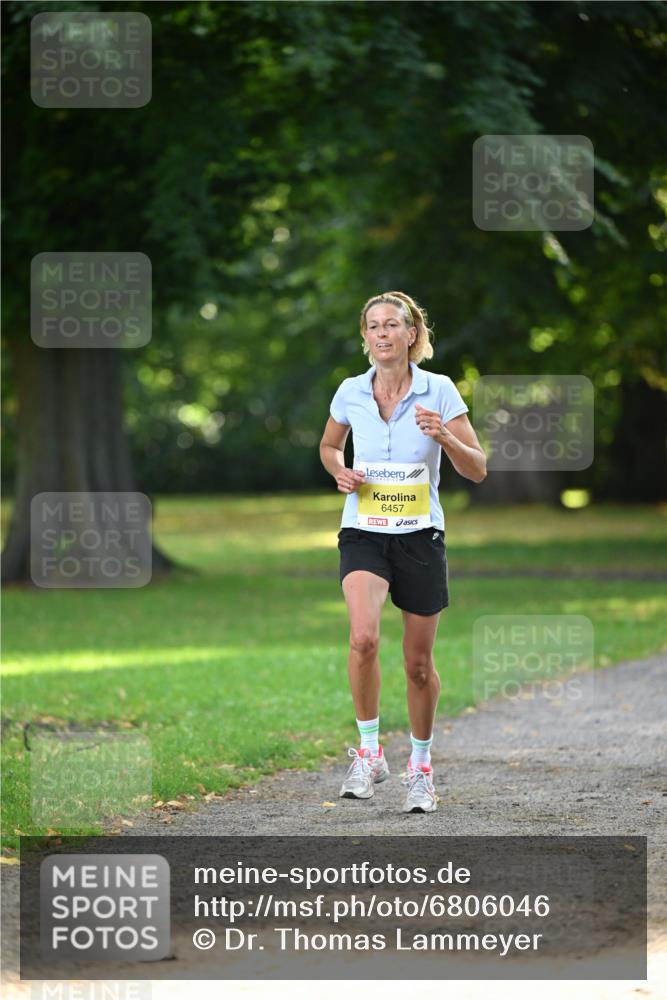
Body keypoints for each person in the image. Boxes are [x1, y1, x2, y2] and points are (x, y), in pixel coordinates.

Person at [319, 291, 487, 813]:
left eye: (392, 325)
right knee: (363, 637)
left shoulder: (439, 391)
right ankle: (369, 753)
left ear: (412, 334)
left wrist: (447, 437)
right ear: (365, 336)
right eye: (373, 326)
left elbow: (477, 467)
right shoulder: (350, 391)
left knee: (417, 664)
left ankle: (421, 767)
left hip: (420, 536)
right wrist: (339, 470)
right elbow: (328, 446)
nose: (382, 334)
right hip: (364, 531)